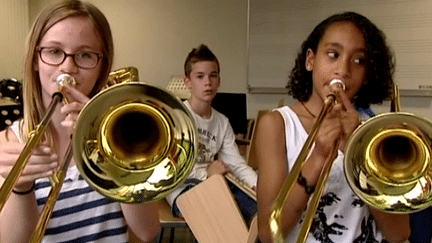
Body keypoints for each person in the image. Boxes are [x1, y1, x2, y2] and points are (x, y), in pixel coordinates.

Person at [0, 1, 160, 242]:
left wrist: (108, 153)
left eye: (85, 55)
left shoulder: (120, 137)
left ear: (102, 65)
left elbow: (147, 231)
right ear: (35, 59)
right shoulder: (7, 145)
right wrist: (21, 187)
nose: (68, 67)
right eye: (54, 51)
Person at [254, 12, 411, 243]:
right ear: (310, 60)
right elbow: (268, 233)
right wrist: (317, 156)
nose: (343, 69)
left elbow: (399, 234)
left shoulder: (375, 135)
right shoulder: (277, 124)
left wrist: (356, 152)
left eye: (359, 61)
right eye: (333, 54)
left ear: (367, 75)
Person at [166, 44, 258, 223]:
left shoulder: (222, 122)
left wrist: (257, 184)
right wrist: (207, 174)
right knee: (224, 210)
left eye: (213, 76)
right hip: (183, 188)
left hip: (214, 182)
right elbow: (170, 169)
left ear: (219, 81)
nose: (208, 82)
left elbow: (236, 164)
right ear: (187, 82)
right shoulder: (176, 117)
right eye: (200, 76)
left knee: (257, 208)